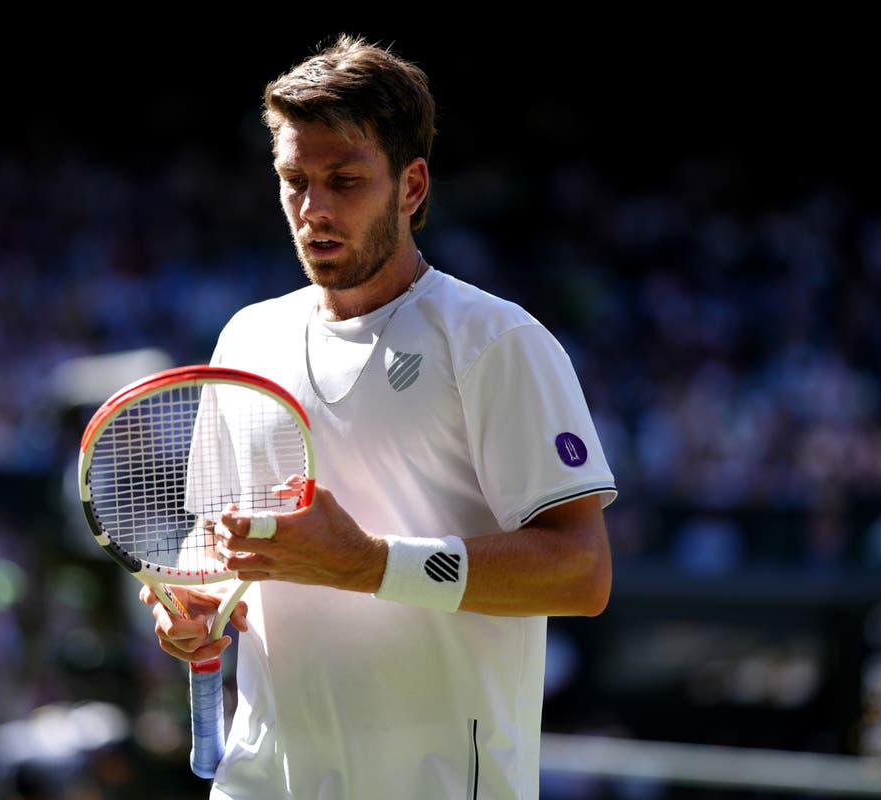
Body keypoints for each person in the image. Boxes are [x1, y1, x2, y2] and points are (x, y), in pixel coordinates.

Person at [140, 33, 617, 799]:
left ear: (412, 186)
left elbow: (581, 572)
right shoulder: (245, 338)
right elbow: (215, 548)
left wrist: (366, 563)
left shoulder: (499, 342)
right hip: (264, 782)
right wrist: (194, 607)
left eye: (344, 179)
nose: (313, 209)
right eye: (294, 180)